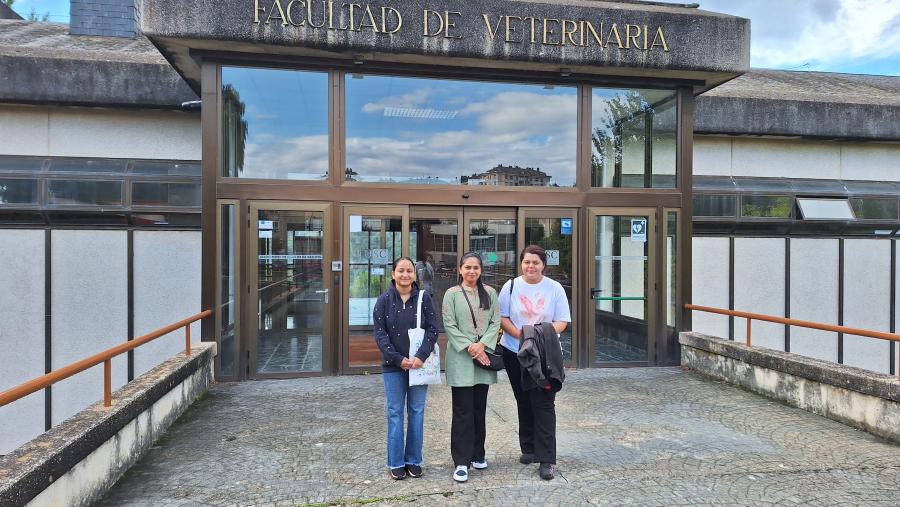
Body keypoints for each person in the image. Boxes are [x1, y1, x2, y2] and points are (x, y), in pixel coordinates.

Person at [498, 245, 571, 480]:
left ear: (543, 266)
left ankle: (547, 458)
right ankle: (528, 447)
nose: (531, 266)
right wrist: (523, 337)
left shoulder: (554, 288)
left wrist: (537, 336)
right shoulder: (510, 287)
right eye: (527, 262)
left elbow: (562, 321)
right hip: (514, 351)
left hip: (546, 354)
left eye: (536, 262)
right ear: (521, 264)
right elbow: (503, 318)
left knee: (544, 402)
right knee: (523, 398)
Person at [372, 256, 439, 480]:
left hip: (419, 366)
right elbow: (380, 335)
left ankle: (413, 460)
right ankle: (396, 462)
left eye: (409, 271)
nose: (405, 274)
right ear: (393, 274)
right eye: (400, 270)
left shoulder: (424, 298)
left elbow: (432, 329)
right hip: (393, 366)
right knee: (394, 413)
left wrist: (420, 356)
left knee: (417, 412)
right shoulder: (383, 301)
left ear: (414, 274)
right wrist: (398, 359)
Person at [441, 252, 500, 483]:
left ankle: (478, 454)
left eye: (476, 267)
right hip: (461, 358)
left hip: (483, 357)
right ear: (460, 269)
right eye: (467, 267)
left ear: (481, 270)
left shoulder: (491, 293)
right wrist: (471, 347)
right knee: (463, 411)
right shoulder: (451, 294)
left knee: (479, 409)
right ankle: (462, 462)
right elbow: (449, 324)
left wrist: (483, 345)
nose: (472, 271)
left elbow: (496, 322)